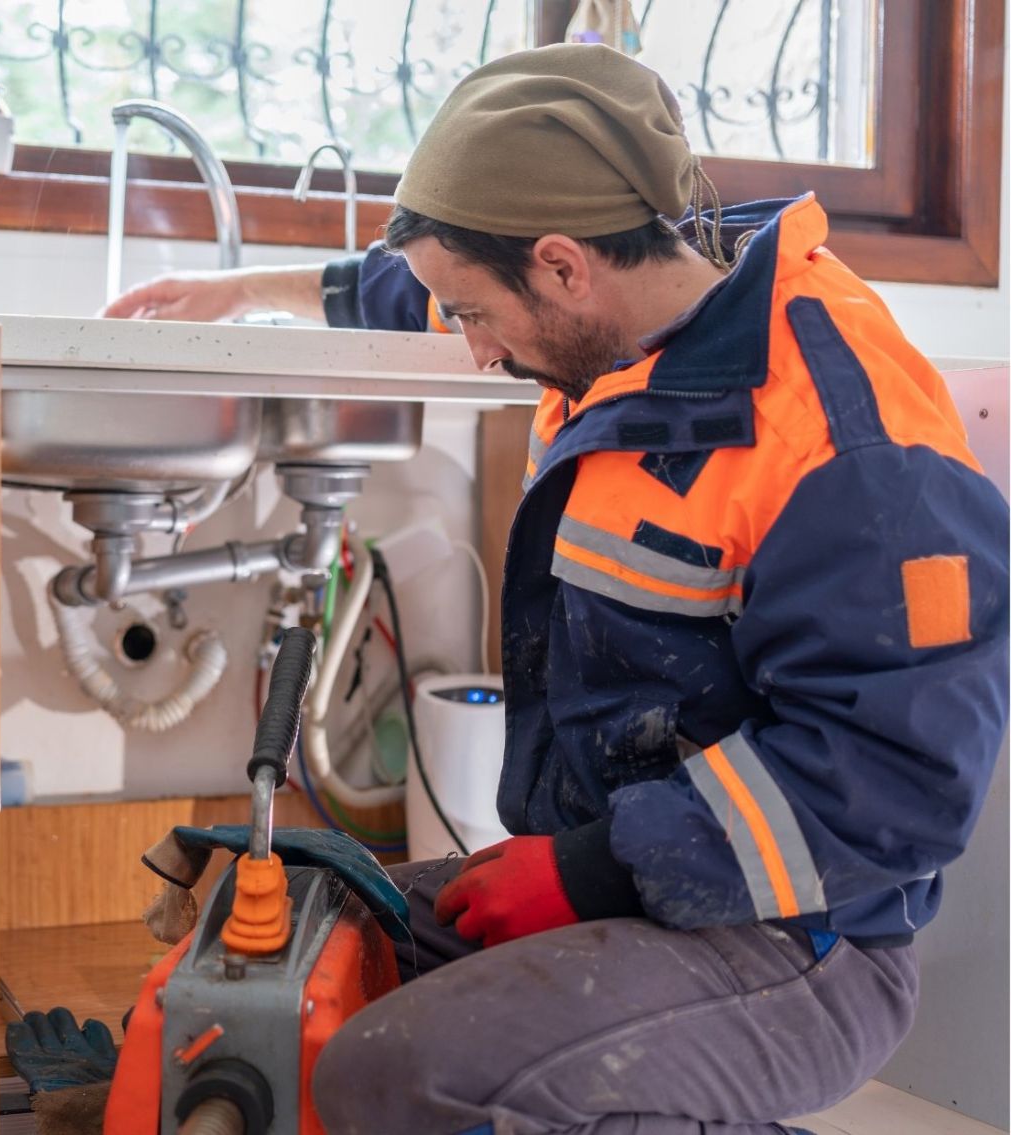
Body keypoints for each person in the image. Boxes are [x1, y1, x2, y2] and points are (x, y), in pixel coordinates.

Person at [109, 44, 1009, 1135]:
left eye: (476, 316)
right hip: (641, 878)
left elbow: (894, 787)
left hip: (804, 939)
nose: (473, 351)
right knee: (309, 924)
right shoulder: (629, 292)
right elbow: (425, 280)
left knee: (395, 1076)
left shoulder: (844, 446)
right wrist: (240, 289)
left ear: (562, 266)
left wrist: (586, 874)